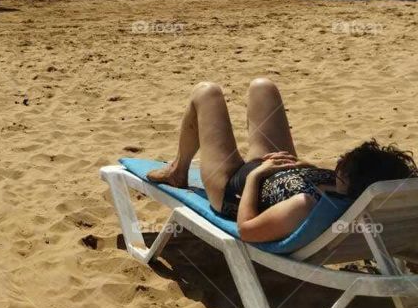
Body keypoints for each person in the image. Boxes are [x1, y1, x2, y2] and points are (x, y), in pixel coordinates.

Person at [148, 79, 417, 243]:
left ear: (353, 178)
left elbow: (248, 230)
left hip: (233, 188)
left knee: (206, 93)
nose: (340, 160)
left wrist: (255, 176)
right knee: (263, 87)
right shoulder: (350, 197)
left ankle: (178, 170)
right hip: (273, 167)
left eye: (346, 162)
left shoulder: (304, 205)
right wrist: (308, 168)